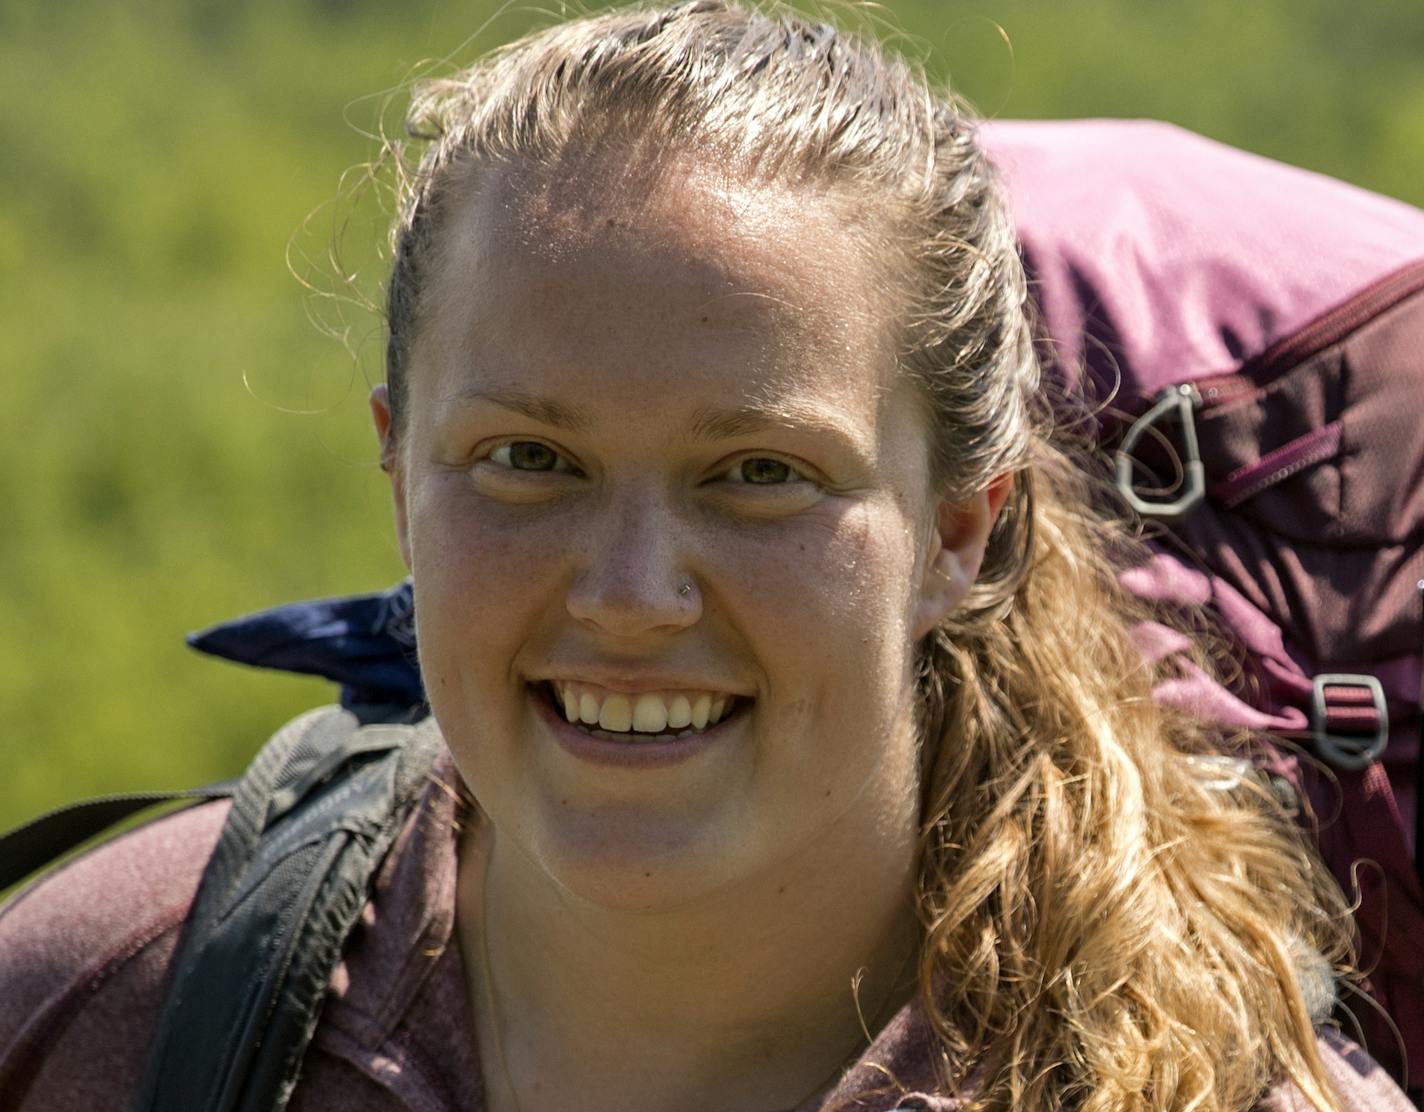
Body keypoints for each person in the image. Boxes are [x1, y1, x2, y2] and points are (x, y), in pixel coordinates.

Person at [0, 3, 1414, 1109]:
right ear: (397, 475)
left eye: (759, 476)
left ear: (960, 530)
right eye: (529, 462)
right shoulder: (123, 1010)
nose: (628, 594)